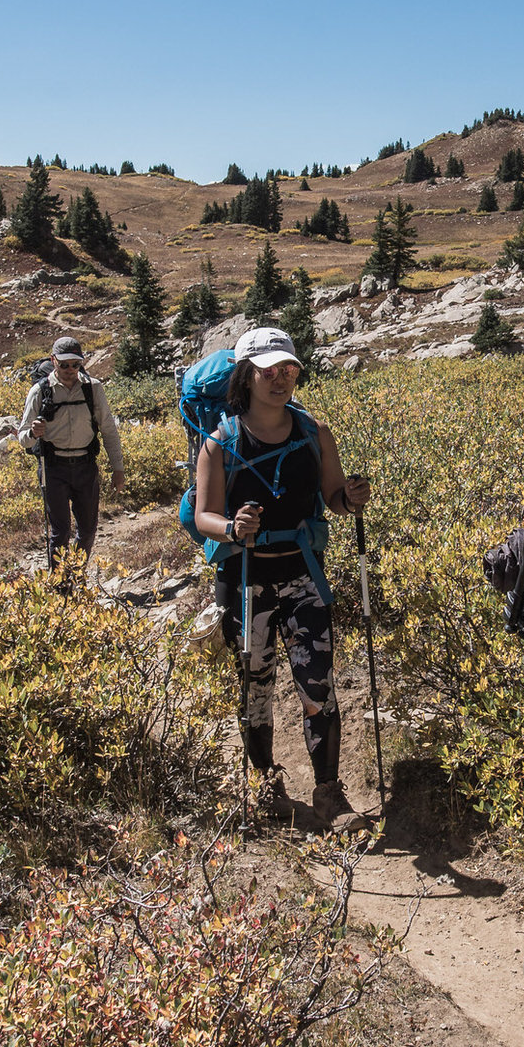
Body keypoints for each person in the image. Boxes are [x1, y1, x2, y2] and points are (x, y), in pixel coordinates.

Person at [191, 325, 373, 828]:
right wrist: (231, 527)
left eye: (288, 369)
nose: (280, 379)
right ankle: (267, 784)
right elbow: (204, 514)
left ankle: (328, 794)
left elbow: (333, 497)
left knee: (319, 684)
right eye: (269, 371)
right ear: (246, 376)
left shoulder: (314, 432)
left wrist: (349, 498)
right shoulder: (220, 442)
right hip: (243, 578)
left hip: (301, 578)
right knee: (255, 688)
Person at [17, 336, 125, 581]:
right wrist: (33, 433)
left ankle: (75, 576)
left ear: (81, 364)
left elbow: (108, 429)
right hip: (53, 468)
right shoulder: (40, 391)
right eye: (64, 364)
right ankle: (59, 586)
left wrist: (117, 468)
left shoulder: (93, 388)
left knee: (87, 531)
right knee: (60, 532)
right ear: (53, 360)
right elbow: (22, 438)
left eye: (75, 365)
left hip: (86, 468)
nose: (69, 370)